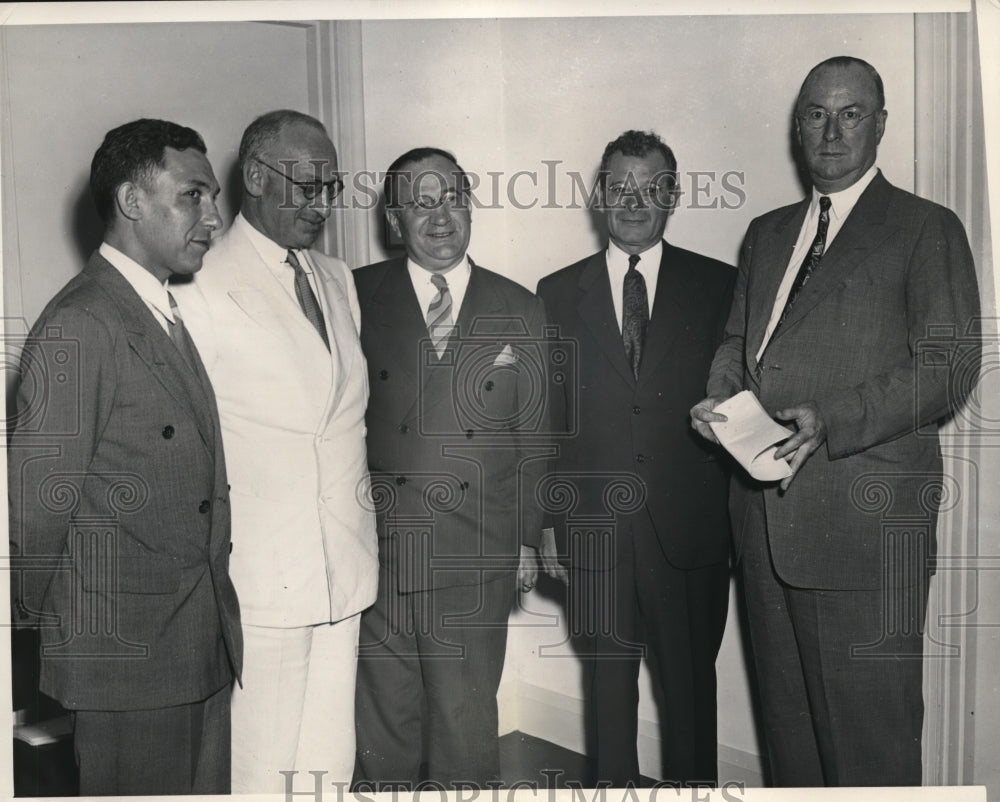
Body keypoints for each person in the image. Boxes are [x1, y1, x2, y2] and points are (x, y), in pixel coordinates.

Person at [691, 56, 981, 786]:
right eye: (816, 113)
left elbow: (948, 367)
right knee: (793, 748)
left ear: (880, 124)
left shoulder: (924, 228)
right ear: (797, 127)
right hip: (762, 524)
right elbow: (737, 343)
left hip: (864, 531)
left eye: (851, 113)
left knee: (869, 751)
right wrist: (720, 399)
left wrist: (833, 417)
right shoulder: (766, 232)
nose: (831, 129)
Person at [7, 119, 241, 795]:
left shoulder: (159, 309)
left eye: (212, 197)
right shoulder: (82, 323)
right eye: (194, 195)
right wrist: (57, 632)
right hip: (127, 659)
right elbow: (36, 512)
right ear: (132, 201)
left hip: (198, 639)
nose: (214, 217)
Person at [173, 110, 378, 792]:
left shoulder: (337, 278)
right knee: (262, 764)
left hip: (342, 565)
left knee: (328, 758)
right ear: (255, 177)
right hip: (259, 577)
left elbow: (343, 423)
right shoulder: (195, 287)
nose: (322, 205)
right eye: (307, 186)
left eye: (331, 187)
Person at [535, 130, 734, 787]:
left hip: (689, 534)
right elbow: (547, 421)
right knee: (608, 701)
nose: (634, 202)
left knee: (690, 703)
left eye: (651, 188)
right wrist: (545, 524)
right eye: (619, 188)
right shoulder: (557, 292)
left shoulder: (721, 287)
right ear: (599, 196)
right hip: (593, 534)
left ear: (673, 196)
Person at [352, 147, 547, 790]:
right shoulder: (354, 295)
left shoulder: (518, 306)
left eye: (453, 199)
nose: (441, 217)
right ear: (393, 218)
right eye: (421, 202)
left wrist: (526, 538)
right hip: (378, 546)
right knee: (384, 720)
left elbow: (535, 437)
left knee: (463, 721)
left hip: (474, 550)